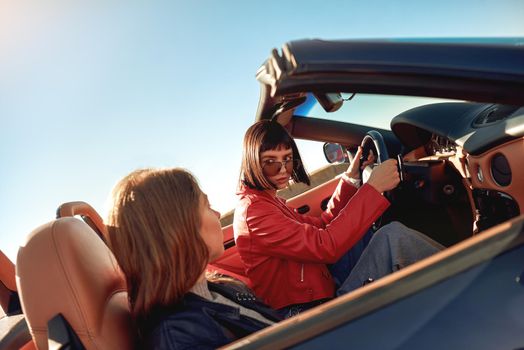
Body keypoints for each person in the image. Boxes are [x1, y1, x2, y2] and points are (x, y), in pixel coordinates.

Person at [233, 120, 444, 318]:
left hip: (320, 286)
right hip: (312, 314)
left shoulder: (268, 202)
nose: (282, 171)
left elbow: (323, 225)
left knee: (362, 233)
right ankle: (471, 272)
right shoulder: (254, 212)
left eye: (287, 160)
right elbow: (325, 246)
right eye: (271, 163)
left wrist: (352, 176)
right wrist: (374, 187)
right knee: (392, 236)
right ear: (253, 163)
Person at [106, 168, 281, 349]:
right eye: (207, 205)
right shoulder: (179, 338)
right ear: (178, 228)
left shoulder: (219, 286)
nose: (218, 214)